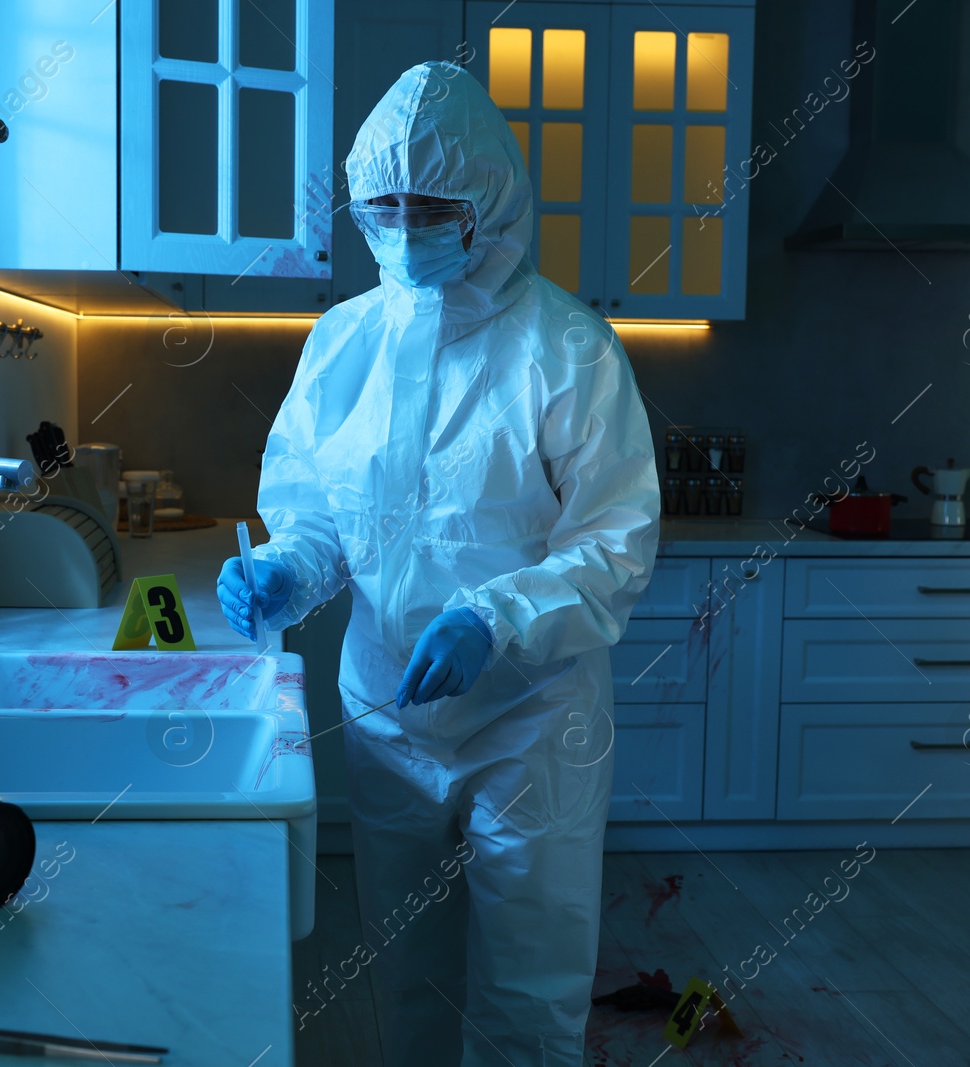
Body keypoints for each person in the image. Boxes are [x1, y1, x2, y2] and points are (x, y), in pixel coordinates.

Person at [217, 60, 659, 1066]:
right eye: (387, 205)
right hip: (385, 702)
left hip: (534, 716)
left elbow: (613, 539)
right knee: (403, 960)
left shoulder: (569, 349)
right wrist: (289, 567)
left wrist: (495, 616)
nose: (408, 225)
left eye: (434, 205)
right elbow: (323, 513)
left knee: (529, 969)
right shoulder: (342, 343)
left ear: (490, 200)